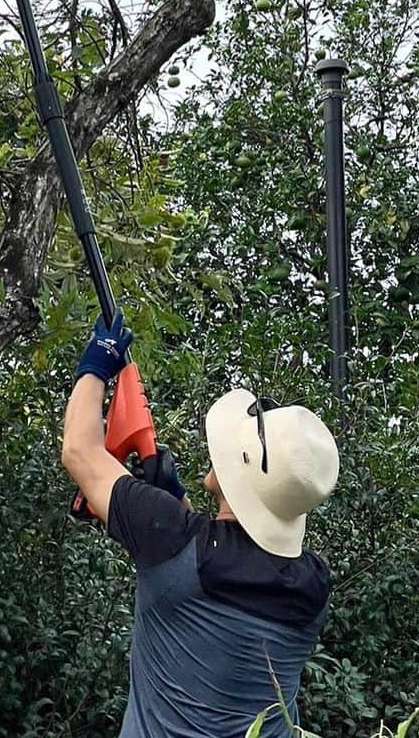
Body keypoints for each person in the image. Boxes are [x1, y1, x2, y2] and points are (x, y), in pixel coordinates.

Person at [61, 314, 339, 738]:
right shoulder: (313, 589)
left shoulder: (172, 539)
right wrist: (172, 501)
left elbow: (80, 453)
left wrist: (95, 367)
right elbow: (220, 565)